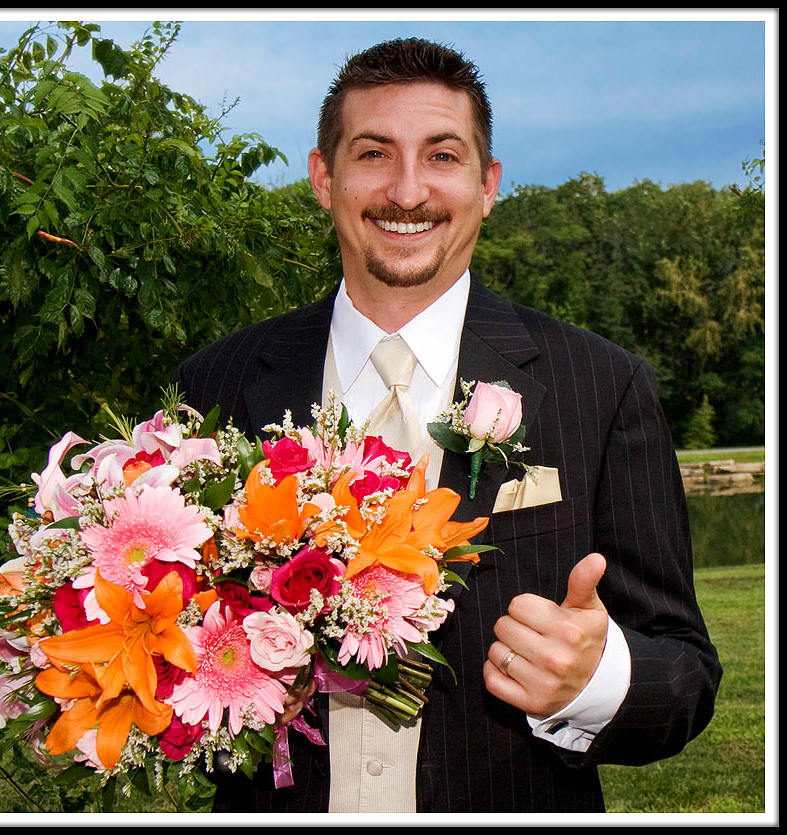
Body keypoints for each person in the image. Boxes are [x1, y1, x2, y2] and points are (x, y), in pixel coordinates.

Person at [173, 37, 722, 814]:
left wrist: (595, 683)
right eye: (373, 154)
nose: (406, 191)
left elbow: (687, 672)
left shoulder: (602, 387)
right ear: (323, 177)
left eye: (441, 156)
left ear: (487, 184)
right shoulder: (218, 382)